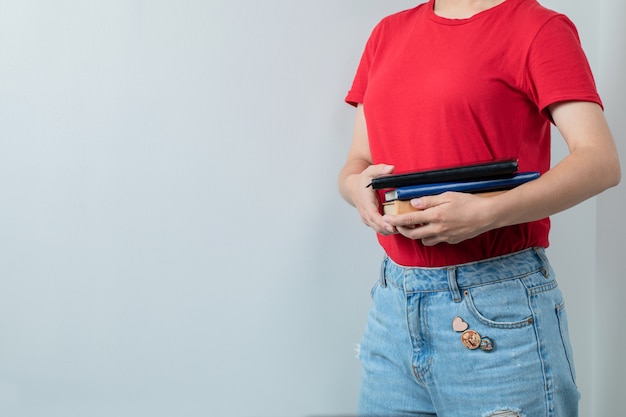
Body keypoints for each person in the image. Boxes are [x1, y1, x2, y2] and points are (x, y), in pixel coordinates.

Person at [338, 1, 621, 416]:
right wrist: (354, 187)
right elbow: (358, 160)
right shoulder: (387, 33)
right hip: (393, 308)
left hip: (496, 307)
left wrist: (487, 213)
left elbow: (600, 161)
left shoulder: (539, 28)